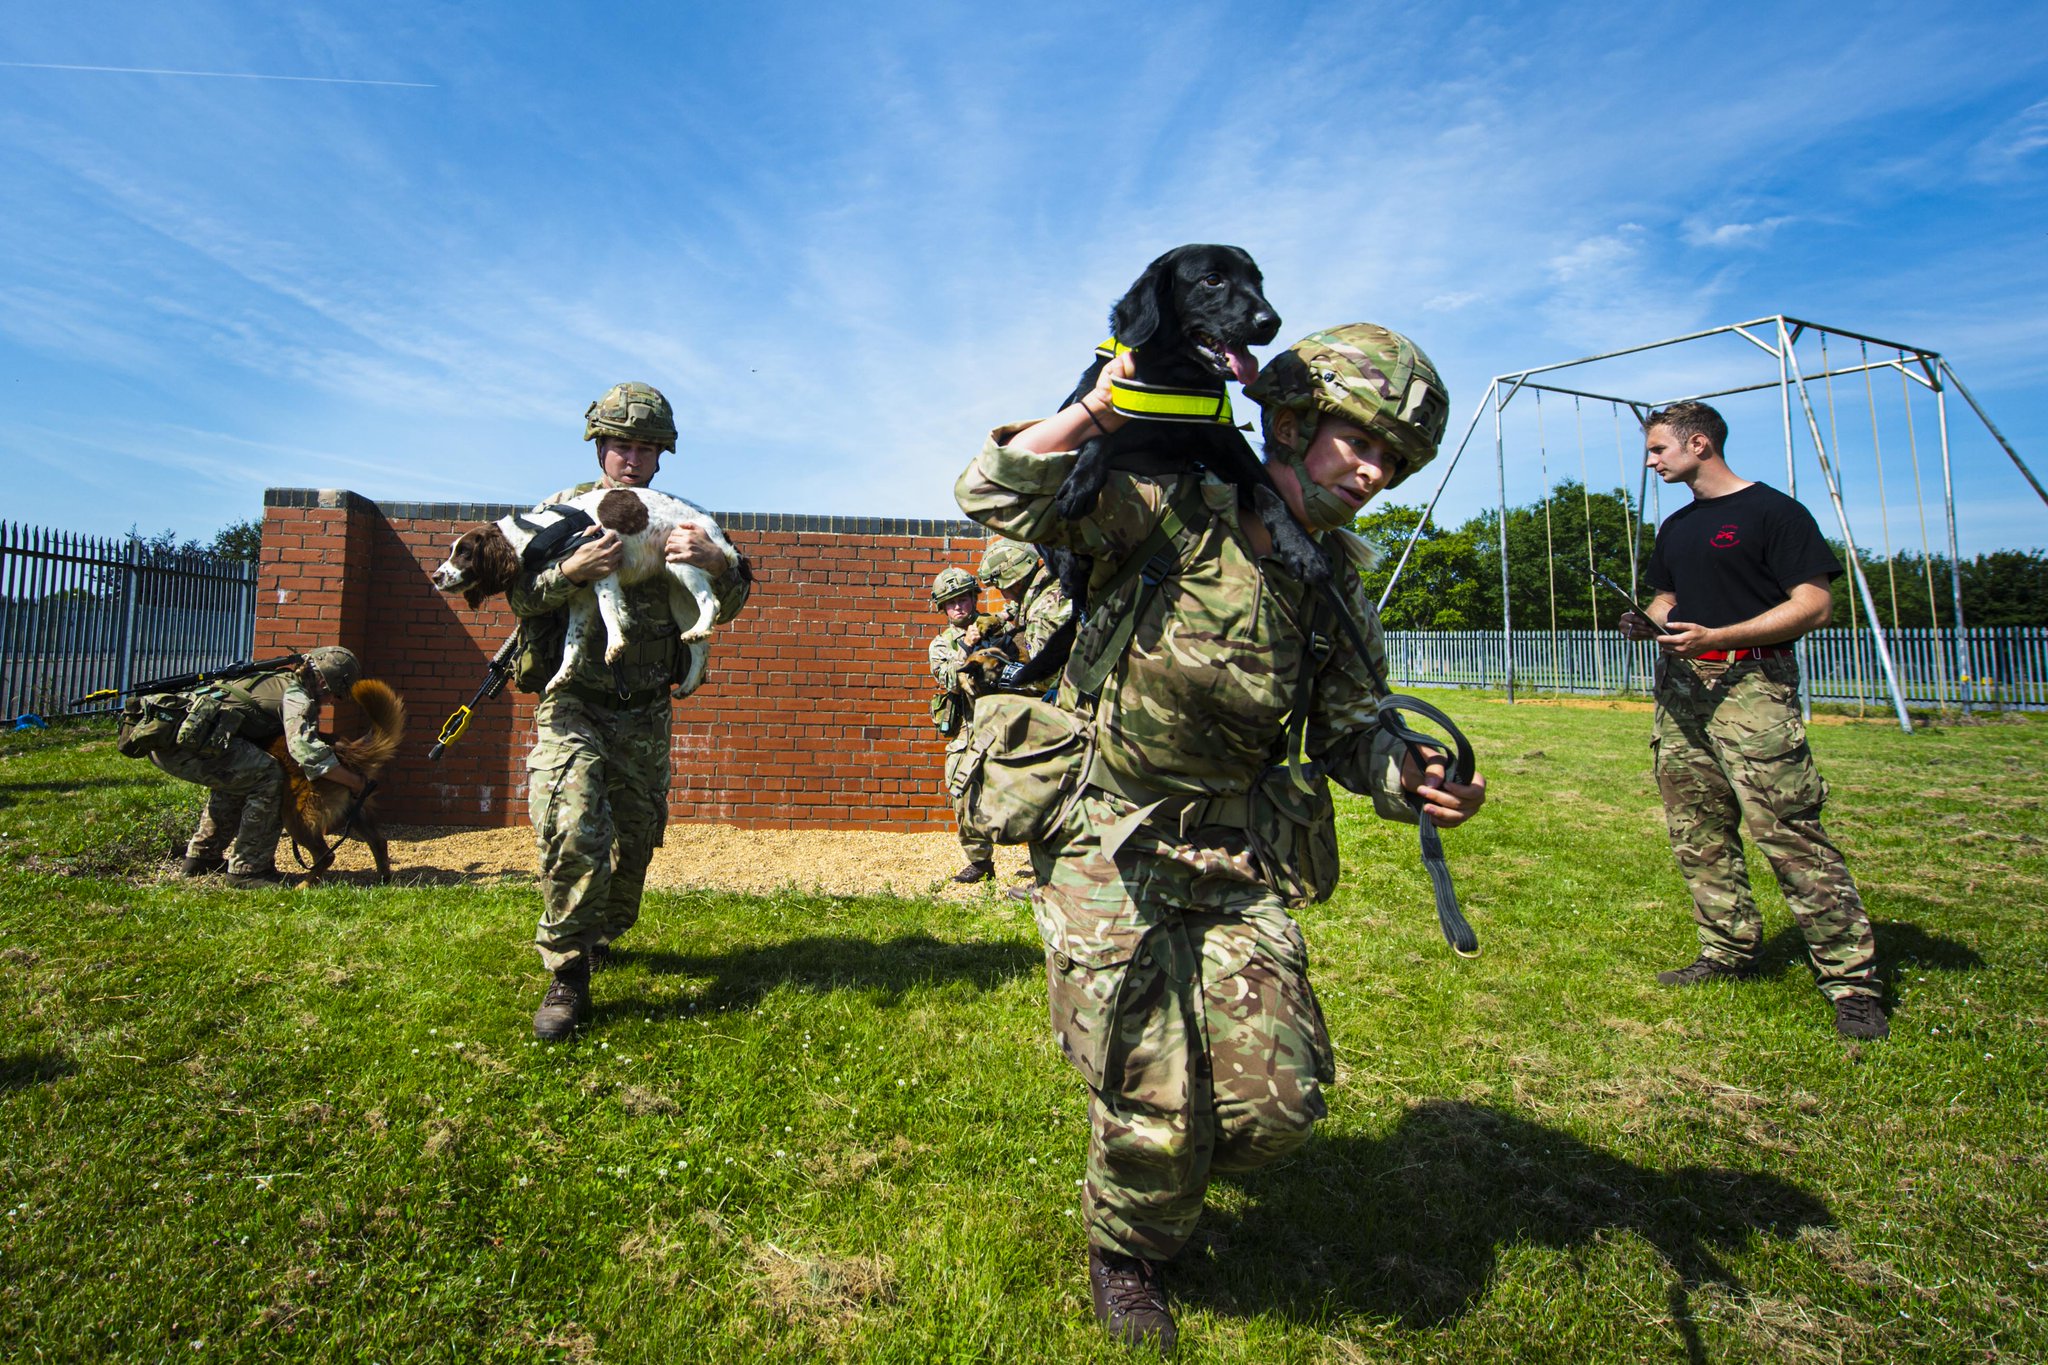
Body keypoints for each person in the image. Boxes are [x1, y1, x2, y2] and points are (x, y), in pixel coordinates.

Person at [955, 323, 1487, 1351]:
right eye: (1360, 443)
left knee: (1275, 1112)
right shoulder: (1165, 511)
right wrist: (1107, 406)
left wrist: (1407, 776)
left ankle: (1169, 1170)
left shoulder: (1329, 578)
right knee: (1153, 1095)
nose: (1375, 473)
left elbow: (1349, 727)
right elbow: (996, 491)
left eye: (1395, 460)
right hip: (1105, 828)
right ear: (1289, 424)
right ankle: (1130, 1253)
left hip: (1235, 851)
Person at [1619, 400, 1887, 1041]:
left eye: (1659, 449)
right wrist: (1646, 623)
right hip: (1681, 692)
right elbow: (1666, 598)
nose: (1650, 461)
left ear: (1700, 444)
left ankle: (1852, 982)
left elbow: (1815, 604)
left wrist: (1721, 633)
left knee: (1789, 831)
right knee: (1697, 828)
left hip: (1752, 687)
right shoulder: (1676, 527)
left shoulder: (1774, 512)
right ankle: (1727, 951)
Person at [510, 381, 752, 1042]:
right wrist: (570, 571)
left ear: (661, 456)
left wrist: (718, 566)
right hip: (573, 702)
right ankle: (567, 971)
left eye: (646, 448)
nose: (632, 459)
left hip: (645, 710)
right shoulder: (561, 511)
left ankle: (603, 931)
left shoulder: (678, 514)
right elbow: (519, 594)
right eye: (621, 444)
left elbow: (731, 598)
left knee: (635, 840)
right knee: (570, 826)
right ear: (599, 446)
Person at [151, 647, 367, 888]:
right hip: (186, 747)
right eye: (334, 695)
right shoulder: (297, 696)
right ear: (323, 682)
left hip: (171, 743)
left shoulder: (273, 678)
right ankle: (249, 870)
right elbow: (306, 752)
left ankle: (202, 860)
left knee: (239, 777)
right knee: (271, 775)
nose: (330, 702)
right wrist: (354, 782)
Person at [927, 566, 1001, 883]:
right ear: (943, 608)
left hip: (1005, 724)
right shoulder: (941, 645)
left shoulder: (996, 628)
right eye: (951, 602)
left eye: (963, 599)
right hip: (970, 733)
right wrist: (968, 649)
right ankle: (981, 862)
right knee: (962, 796)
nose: (958, 607)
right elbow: (950, 680)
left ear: (973, 598)